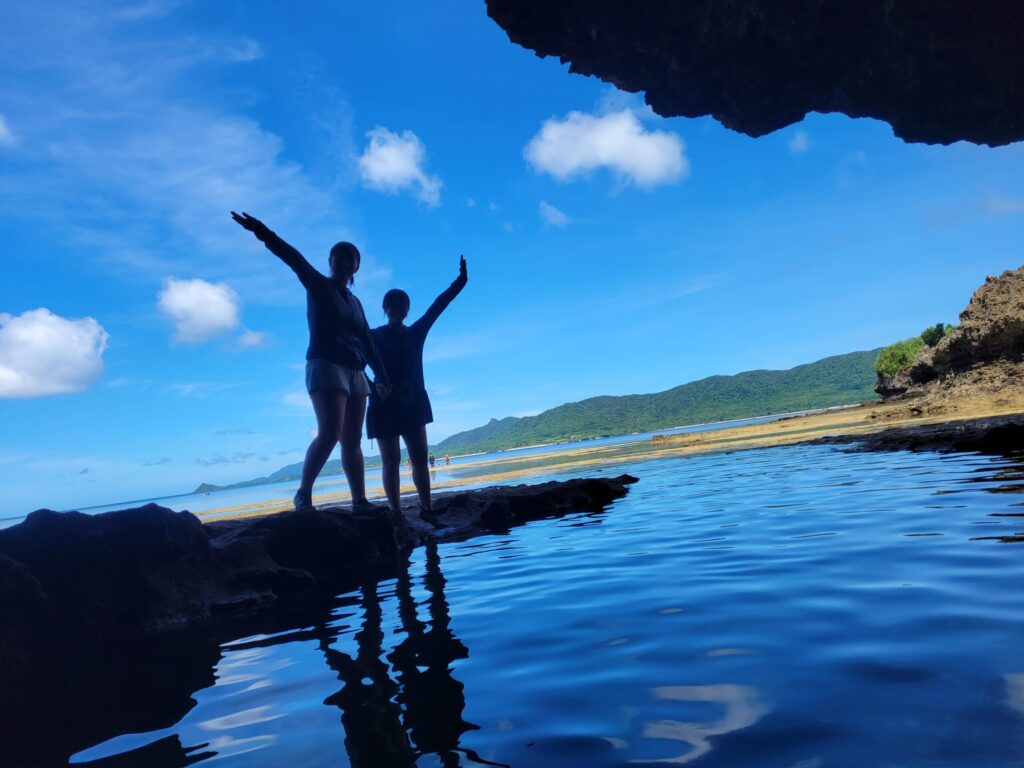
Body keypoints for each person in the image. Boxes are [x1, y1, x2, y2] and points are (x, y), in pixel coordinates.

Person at [231, 211, 390, 515]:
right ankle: (303, 494)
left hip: (356, 372)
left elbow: (367, 342)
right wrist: (263, 232)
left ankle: (359, 501)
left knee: (352, 439)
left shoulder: (355, 303)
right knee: (330, 433)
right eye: (339, 257)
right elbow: (293, 257)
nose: (344, 262)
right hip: (326, 364)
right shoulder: (319, 285)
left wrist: (381, 375)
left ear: (356, 266)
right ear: (330, 261)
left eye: (350, 258)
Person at [368, 256, 467, 525]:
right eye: (393, 303)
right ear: (385, 307)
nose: (397, 308)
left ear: (407, 309)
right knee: (391, 460)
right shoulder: (373, 336)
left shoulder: (416, 332)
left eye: (402, 304)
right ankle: (396, 512)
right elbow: (354, 362)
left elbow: (438, 306)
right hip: (384, 403)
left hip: (411, 401)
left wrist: (460, 283)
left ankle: (427, 509)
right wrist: (373, 387)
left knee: (420, 459)